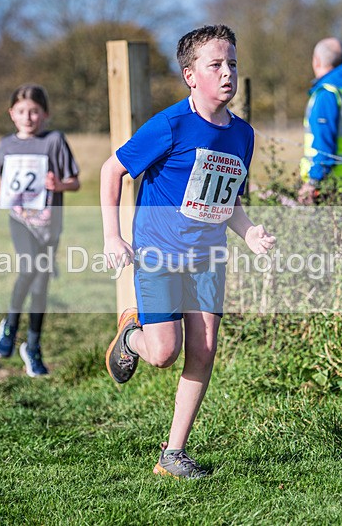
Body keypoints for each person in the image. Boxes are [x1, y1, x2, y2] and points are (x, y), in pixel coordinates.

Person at [100, 25, 275, 479]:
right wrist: (112, 236)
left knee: (205, 347)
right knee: (162, 353)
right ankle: (129, 336)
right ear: (190, 76)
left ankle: (172, 454)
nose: (227, 73)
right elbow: (111, 171)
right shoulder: (171, 125)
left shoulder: (243, 135)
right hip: (159, 251)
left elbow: (228, 201)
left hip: (209, 257)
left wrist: (250, 232)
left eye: (232, 63)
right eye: (215, 65)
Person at [0, 84, 81, 377]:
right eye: (21, 111)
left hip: (49, 223)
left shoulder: (54, 141)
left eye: (34, 111)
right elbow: (5, 181)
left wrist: (59, 186)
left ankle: (33, 346)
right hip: (20, 220)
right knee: (28, 269)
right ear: (11, 114)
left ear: (45, 114)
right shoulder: (6, 145)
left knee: (41, 287)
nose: (28, 117)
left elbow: (75, 182)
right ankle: (10, 326)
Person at [298, 37, 342, 204]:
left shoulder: (327, 94)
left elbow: (324, 147)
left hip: (329, 188)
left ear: (316, 62)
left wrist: (312, 183)